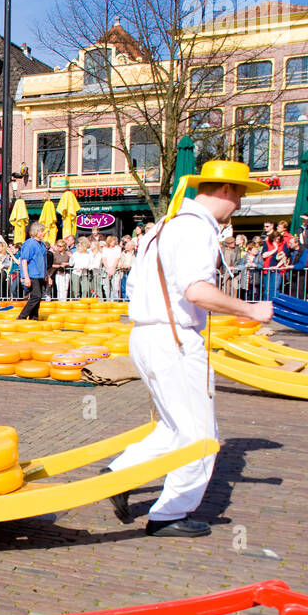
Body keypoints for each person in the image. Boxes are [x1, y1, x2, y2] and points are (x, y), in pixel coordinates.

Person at [103, 159, 273, 538]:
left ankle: (119, 474)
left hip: (146, 333)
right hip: (174, 338)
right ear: (226, 190)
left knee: (173, 426)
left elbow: (136, 286)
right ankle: (170, 514)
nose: (240, 204)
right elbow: (196, 290)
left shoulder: (164, 226)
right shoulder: (196, 230)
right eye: (240, 194)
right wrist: (250, 310)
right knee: (199, 434)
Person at [17, 221, 47, 320]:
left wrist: (47, 275)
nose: (44, 233)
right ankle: (22, 316)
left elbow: (43, 261)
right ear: (36, 232)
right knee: (36, 296)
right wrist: (26, 277)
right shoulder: (29, 244)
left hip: (40, 275)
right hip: (32, 274)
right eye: (41, 231)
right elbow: (24, 261)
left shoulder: (42, 244)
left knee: (38, 298)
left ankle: (34, 317)